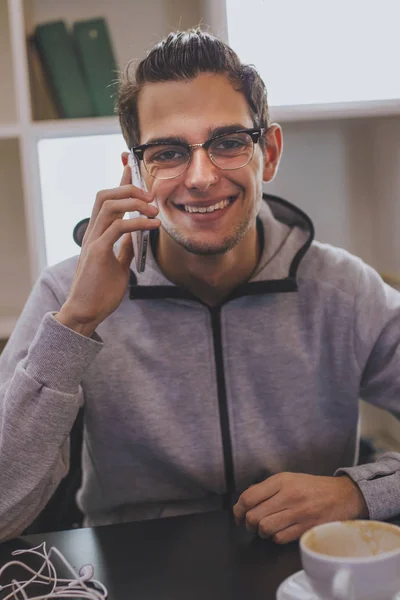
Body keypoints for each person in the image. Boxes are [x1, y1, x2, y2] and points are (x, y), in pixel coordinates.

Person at [1, 28, 400, 544]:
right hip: (132, 576)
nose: (201, 177)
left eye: (228, 143)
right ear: (136, 171)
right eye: (167, 152)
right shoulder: (67, 295)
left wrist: (359, 494)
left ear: (270, 153)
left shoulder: (344, 291)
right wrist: (76, 323)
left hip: (302, 569)